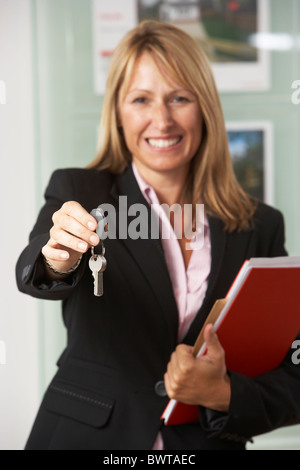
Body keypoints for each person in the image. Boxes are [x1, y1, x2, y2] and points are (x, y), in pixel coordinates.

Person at [16, 20, 300, 450]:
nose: (161, 120)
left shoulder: (260, 225)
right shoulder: (81, 192)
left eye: (179, 98)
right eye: (141, 99)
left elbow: (290, 370)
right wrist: (58, 258)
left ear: (204, 106)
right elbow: (35, 275)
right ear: (117, 111)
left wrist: (222, 395)